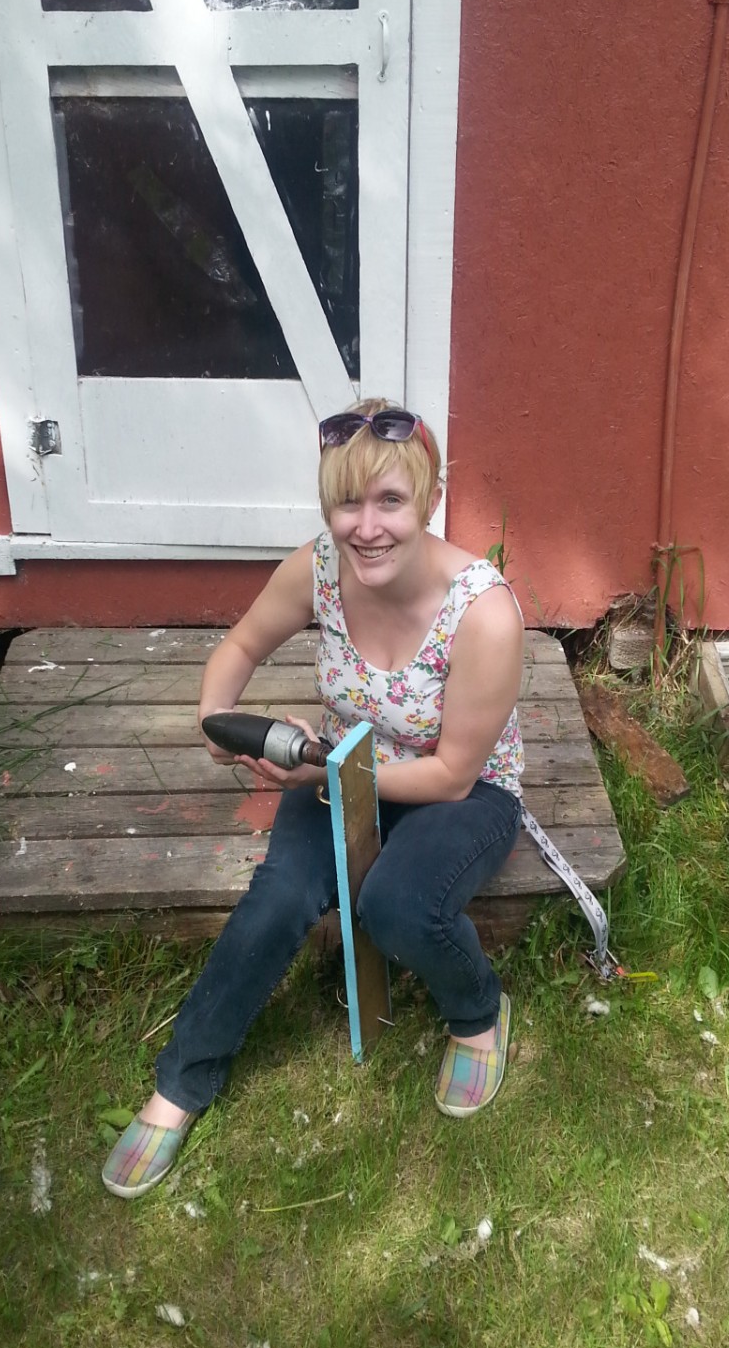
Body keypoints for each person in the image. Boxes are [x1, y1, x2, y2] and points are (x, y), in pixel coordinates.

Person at [102, 399, 526, 1199]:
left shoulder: (484, 611)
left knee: (398, 906)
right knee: (278, 898)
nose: (366, 527)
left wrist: (324, 771)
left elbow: (452, 775)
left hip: (459, 791)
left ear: (430, 498)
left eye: (390, 500)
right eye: (346, 501)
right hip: (338, 765)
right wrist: (215, 717)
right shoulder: (319, 568)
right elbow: (241, 643)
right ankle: (181, 1084)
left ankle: (478, 1013)